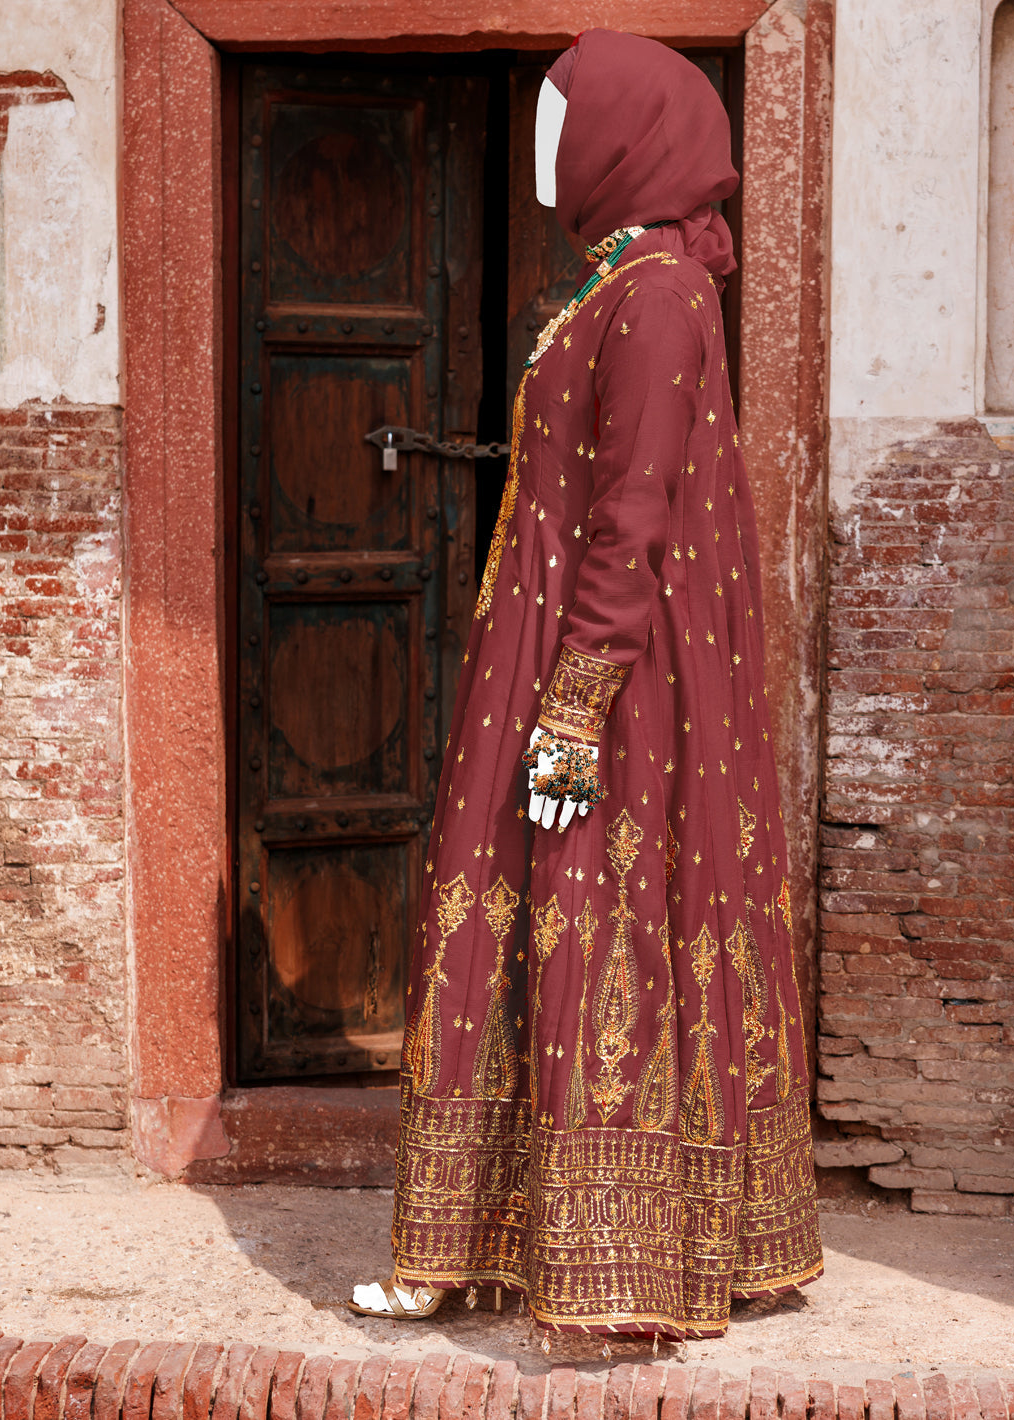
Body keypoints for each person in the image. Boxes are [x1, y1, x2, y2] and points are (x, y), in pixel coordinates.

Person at [349, 27, 823, 1350]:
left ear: (628, 138)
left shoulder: (658, 293)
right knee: (522, 906)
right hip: (556, 647)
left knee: (589, 901)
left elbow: (634, 513)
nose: (545, 146)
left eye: (563, 120)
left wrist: (572, 715)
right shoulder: (624, 282)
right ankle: (483, 1238)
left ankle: (616, 1259)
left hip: (610, 679)